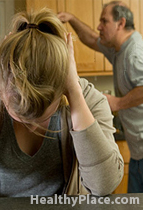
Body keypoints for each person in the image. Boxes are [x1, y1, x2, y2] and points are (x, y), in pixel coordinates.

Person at [0, 8, 123, 201]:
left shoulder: (87, 100)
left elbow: (104, 185)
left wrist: (74, 91)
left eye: (41, 112)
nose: (31, 122)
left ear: (61, 86)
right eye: (18, 111)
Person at [58, 1, 143, 193]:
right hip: (138, 151)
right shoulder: (119, 49)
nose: (99, 26)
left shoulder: (134, 53)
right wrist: (71, 19)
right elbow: (91, 39)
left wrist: (118, 103)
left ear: (120, 23)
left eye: (104, 21)